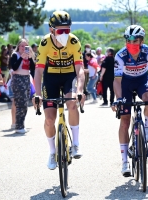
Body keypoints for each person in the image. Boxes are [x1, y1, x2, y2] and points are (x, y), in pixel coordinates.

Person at [33, 11, 86, 170]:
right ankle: (52, 152)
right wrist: (37, 94)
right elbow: (38, 72)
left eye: (67, 30)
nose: (64, 34)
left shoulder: (74, 41)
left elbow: (80, 70)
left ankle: (75, 144)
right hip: (51, 79)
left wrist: (80, 90)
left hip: (69, 77)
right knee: (49, 118)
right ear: (51, 30)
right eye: (60, 31)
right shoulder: (44, 44)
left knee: (72, 104)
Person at [111, 25, 148, 176]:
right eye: (129, 40)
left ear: (142, 41)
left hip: (142, 81)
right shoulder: (120, 55)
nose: (132, 43)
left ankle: (147, 127)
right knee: (125, 121)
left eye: (136, 40)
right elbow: (116, 80)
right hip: (125, 84)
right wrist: (119, 99)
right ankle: (124, 162)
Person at [10, 39, 35, 134]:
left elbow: (33, 68)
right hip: (18, 79)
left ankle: (20, 124)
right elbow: (14, 67)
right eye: (22, 46)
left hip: (26, 79)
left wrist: (29, 58)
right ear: (18, 46)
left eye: (26, 46)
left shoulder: (28, 56)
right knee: (20, 103)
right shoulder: (15, 55)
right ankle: (19, 125)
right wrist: (21, 57)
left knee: (25, 103)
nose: (23, 48)